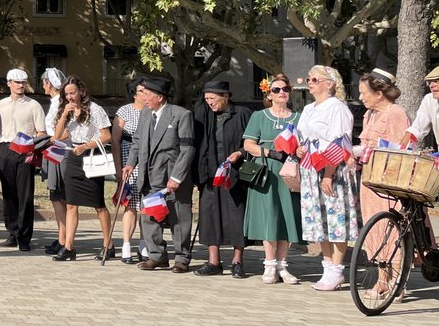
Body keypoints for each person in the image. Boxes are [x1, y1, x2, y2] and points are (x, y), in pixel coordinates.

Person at [123, 76, 196, 272]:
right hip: (149, 175)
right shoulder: (146, 114)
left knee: (178, 218)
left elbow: (187, 149)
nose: (144, 98)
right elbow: (137, 142)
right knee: (149, 216)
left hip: (172, 177)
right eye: (143, 94)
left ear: (161, 97)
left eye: (148, 95)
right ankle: (156, 255)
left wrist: (177, 177)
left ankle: (182, 258)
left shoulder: (181, 115)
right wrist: (130, 163)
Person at [296, 65, 358, 291]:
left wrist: (329, 175)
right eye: (309, 79)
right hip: (311, 168)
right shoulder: (309, 108)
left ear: (329, 84)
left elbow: (339, 143)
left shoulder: (337, 108)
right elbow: (303, 137)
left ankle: (337, 269)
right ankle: (327, 266)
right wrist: (299, 150)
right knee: (319, 219)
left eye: (314, 79)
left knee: (335, 218)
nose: (309, 82)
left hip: (333, 169)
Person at [352, 69, 411, 294]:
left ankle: (397, 282)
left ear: (379, 93)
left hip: (389, 180)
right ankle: (382, 279)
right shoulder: (369, 114)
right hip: (370, 179)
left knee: (392, 228)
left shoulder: (395, 112)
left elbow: (402, 149)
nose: (361, 97)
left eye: (364, 92)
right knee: (375, 229)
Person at [241, 73, 304, 285]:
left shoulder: (298, 117)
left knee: (287, 216)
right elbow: (248, 144)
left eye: (285, 89)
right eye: (276, 90)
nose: (281, 93)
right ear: (269, 93)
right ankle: (269, 264)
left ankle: (283, 265)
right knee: (269, 216)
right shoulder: (259, 116)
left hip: (289, 170)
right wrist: (268, 153)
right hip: (266, 170)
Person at [191, 80, 252, 277]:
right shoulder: (205, 114)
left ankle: (237, 261)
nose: (210, 102)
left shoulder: (242, 113)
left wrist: (240, 152)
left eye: (213, 98)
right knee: (210, 216)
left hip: (234, 174)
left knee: (236, 216)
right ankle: (214, 262)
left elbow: (251, 140)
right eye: (207, 98)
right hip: (209, 174)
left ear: (226, 96)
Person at [49, 76, 113, 261]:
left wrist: (86, 146)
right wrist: (63, 115)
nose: (70, 97)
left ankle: (108, 244)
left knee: (97, 204)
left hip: (91, 154)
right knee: (70, 203)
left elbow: (106, 135)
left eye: (73, 92)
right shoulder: (66, 111)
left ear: (81, 92)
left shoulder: (94, 109)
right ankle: (69, 247)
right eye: (66, 94)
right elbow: (57, 136)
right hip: (73, 156)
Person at [0, 68, 46, 252]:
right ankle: (12, 233)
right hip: (6, 148)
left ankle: (24, 237)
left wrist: (34, 150)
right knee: (8, 194)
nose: (20, 85)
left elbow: (41, 132)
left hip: (25, 150)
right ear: (8, 83)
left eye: (23, 82)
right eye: (17, 82)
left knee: (25, 195)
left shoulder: (34, 105)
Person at [111, 78, 146, 264]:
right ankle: (126, 245)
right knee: (130, 203)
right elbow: (115, 140)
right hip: (127, 156)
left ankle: (144, 244)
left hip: (148, 158)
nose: (146, 94)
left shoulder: (152, 110)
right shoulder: (125, 111)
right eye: (142, 91)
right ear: (134, 93)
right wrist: (118, 168)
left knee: (146, 204)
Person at [40, 67, 69, 254]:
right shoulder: (55, 102)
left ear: (48, 83)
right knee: (56, 196)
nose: (43, 86)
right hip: (54, 149)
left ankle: (64, 239)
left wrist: (52, 140)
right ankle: (62, 236)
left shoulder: (60, 103)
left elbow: (66, 130)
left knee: (59, 196)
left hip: (60, 150)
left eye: (44, 82)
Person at [402, 63, 439, 148]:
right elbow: (416, 129)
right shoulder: (430, 100)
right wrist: (401, 150)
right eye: (430, 82)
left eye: (437, 80)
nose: (432, 85)